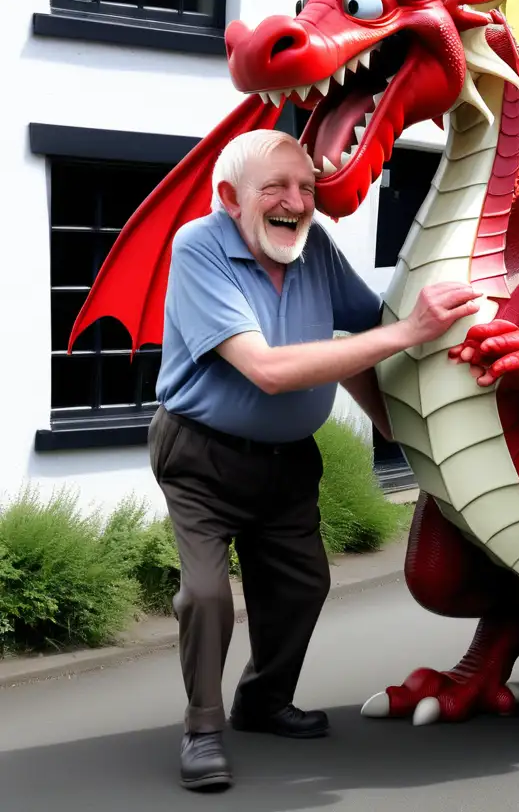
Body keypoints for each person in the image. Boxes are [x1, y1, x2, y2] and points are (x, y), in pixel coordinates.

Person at [148, 129, 480, 791]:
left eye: (305, 188)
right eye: (276, 187)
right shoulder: (198, 248)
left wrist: (398, 427)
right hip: (202, 457)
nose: (298, 201)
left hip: (288, 461)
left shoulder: (316, 250)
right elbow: (267, 370)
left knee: (303, 585)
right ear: (229, 198)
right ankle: (203, 726)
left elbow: (356, 330)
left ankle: (263, 701)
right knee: (208, 596)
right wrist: (411, 330)